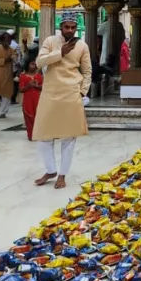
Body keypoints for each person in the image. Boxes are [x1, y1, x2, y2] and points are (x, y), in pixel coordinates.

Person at [33, 19, 92, 189]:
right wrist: (60, 52)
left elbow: (87, 71)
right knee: (44, 135)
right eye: (67, 27)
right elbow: (39, 62)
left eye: (73, 27)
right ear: (61, 27)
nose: (70, 30)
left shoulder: (82, 46)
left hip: (71, 92)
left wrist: (82, 91)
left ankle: (62, 175)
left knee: (68, 137)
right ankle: (50, 170)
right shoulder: (50, 41)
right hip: (50, 91)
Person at [18, 61, 43, 140]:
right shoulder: (23, 76)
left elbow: (43, 87)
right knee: (29, 117)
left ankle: (38, 134)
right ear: (27, 65)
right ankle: (31, 135)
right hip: (28, 101)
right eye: (32, 64)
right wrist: (29, 85)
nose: (34, 66)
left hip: (37, 99)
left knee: (38, 117)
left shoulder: (39, 76)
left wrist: (36, 86)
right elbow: (21, 89)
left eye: (35, 64)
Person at [0, 33, 16, 119]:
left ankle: (3, 112)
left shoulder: (12, 50)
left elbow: (16, 59)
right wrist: (4, 60)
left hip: (8, 75)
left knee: (6, 94)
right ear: (2, 40)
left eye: (10, 40)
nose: (9, 42)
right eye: (7, 40)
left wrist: (14, 58)